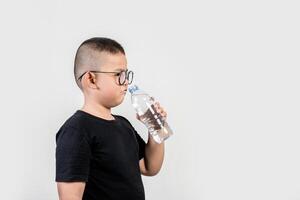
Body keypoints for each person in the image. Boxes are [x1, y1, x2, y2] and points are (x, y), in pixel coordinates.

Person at [55, 37, 168, 200]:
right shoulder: (76, 131)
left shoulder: (123, 125)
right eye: (118, 74)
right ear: (91, 80)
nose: (126, 82)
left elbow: (150, 167)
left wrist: (155, 128)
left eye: (126, 74)